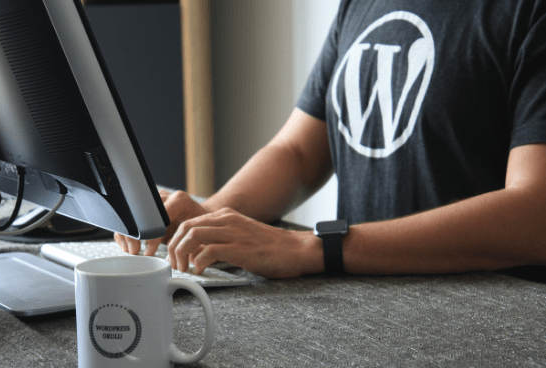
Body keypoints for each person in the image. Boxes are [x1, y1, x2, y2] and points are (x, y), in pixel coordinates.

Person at [115, 0, 546, 279]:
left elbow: (535, 214)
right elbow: (299, 152)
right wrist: (211, 216)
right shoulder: (360, 4)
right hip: (365, 305)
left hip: (488, 320)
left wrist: (316, 247)